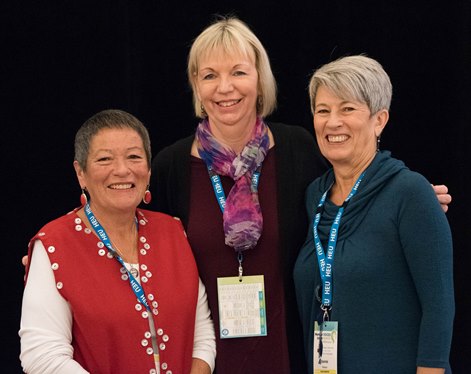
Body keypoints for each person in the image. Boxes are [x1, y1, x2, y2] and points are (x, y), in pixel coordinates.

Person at [150, 17, 452, 374]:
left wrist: (410, 200)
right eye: (209, 75)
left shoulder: (298, 151)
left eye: (238, 72)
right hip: (207, 361)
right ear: (195, 86)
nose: (225, 87)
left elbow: (354, 189)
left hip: (292, 357)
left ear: (260, 81)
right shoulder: (171, 167)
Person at [19, 109, 216, 374]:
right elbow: (41, 356)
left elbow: (201, 335)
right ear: (81, 173)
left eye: (134, 157)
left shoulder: (173, 231)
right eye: (104, 159)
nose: (122, 170)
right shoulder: (54, 244)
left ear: (147, 170)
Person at [293, 55, 454, 373]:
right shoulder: (315, 196)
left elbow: (439, 306)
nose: (333, 121)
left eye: (347, 109)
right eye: (323, 110)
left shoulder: (410, 192)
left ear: (379, 120)